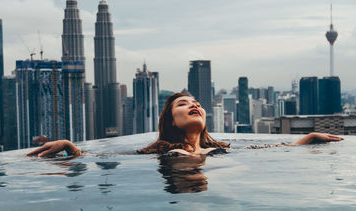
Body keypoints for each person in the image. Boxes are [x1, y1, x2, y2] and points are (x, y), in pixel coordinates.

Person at [27, 92, 344, 158]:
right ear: (170, 120)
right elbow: (101, 160)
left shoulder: (218, 149)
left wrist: (309, 137)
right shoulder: (164, 153)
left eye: (197, 104)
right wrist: (69, 145)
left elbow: (273, 147)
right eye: (183, 104)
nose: (195, 105)